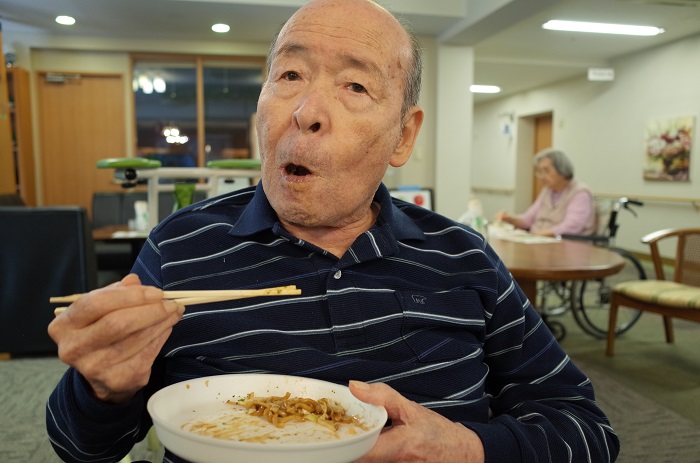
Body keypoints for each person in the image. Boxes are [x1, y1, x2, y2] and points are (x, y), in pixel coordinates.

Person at [46, 1, 619, 462]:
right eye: (289, 75)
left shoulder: (463, 255)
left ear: (403, 136)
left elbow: (587, 429)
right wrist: (104, 388)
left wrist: (468, 449)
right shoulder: (180, 247)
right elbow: (80, 448)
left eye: (355, 87)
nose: (307, 111)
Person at [494, 148, 596, 237]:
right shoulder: (547, 191)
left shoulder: (580, 192)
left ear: (562, 170)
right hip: (539, 241)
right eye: (539, 171)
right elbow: (527, 219)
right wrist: (508, 219)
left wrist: (536, 235)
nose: (541, 176)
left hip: (568, 246)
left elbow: (572, 226)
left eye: (546, 171)